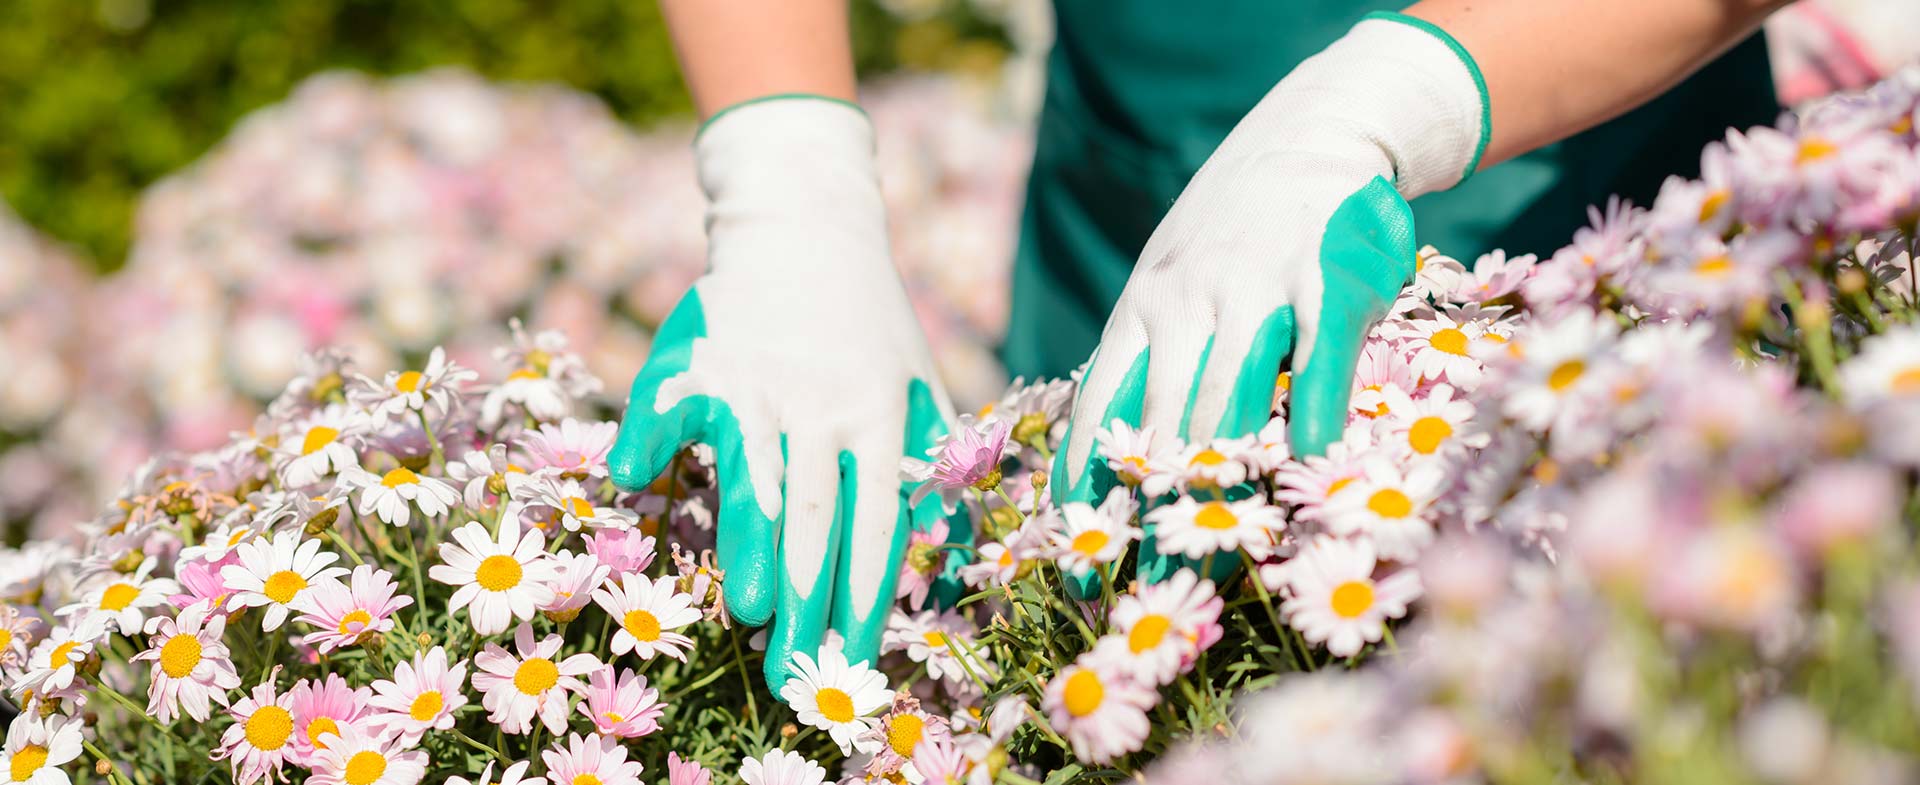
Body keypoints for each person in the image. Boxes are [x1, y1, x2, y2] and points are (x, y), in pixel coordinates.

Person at [606, 0, 1793, 690]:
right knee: (1090, 661)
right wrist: (784, 169)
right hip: (1133, 172)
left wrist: (1397, 96)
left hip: (1565, 145)